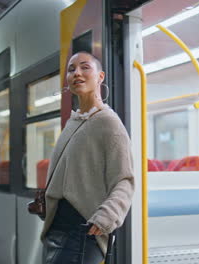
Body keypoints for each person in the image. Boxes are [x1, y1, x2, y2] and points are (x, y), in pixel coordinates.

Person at [40, 51, 135, 264]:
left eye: (85, 67)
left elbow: (125, 180)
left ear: (100, 77)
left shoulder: (109, 122)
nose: (77, 73)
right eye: (71, 69)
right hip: (55, 227)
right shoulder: (72, 123)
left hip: (84, 229)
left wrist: (107, 216)